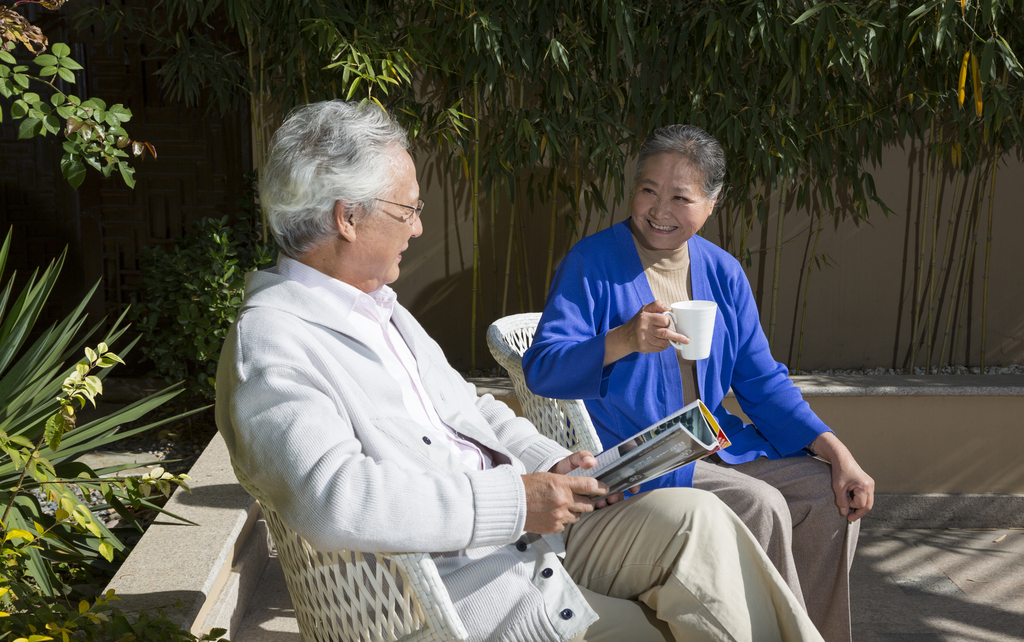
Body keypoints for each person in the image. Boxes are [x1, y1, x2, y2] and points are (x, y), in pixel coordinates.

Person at [216, 101, 827, 642]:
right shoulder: (272, 342)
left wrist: (548, 462)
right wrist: (516, 501)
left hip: (536, 538)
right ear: (349, 218)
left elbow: (473, 413)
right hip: (478, 586)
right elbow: (336, 499)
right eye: (409, 210)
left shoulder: (381, 309)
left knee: (700, 520)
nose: (421, 227)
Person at [522, 125, 875, 642]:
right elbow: (543, 367)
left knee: (828, 496)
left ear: (711, 203)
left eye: (681, 197)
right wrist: (623, 339)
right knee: (762, 503)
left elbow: (762, 380)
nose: (659, 209)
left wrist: (838, 452)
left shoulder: (723, 272)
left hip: (713, 445)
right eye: (647, 189)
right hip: (637, 457)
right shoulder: (591, 263)